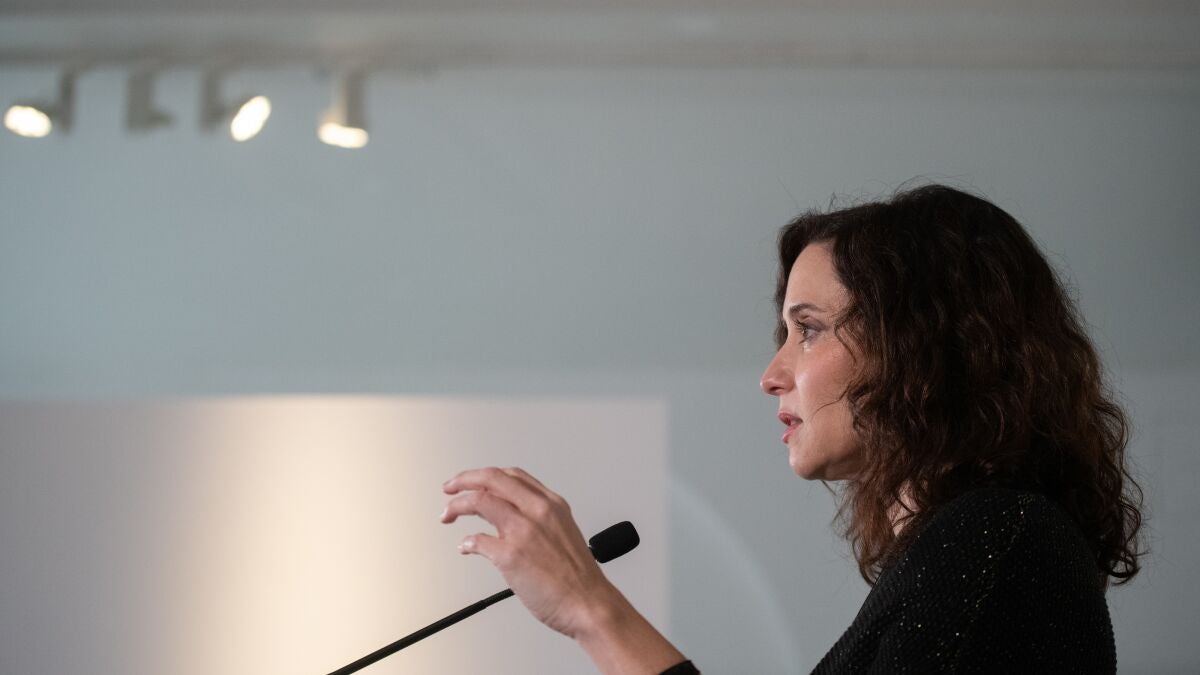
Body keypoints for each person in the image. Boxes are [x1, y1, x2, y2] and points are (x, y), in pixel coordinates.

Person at [439, 184, 1146, 673]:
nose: (772, 374)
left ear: (919, 345)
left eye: (808, 329)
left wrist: (588, 606)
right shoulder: (973, 545)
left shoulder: (999, 537)